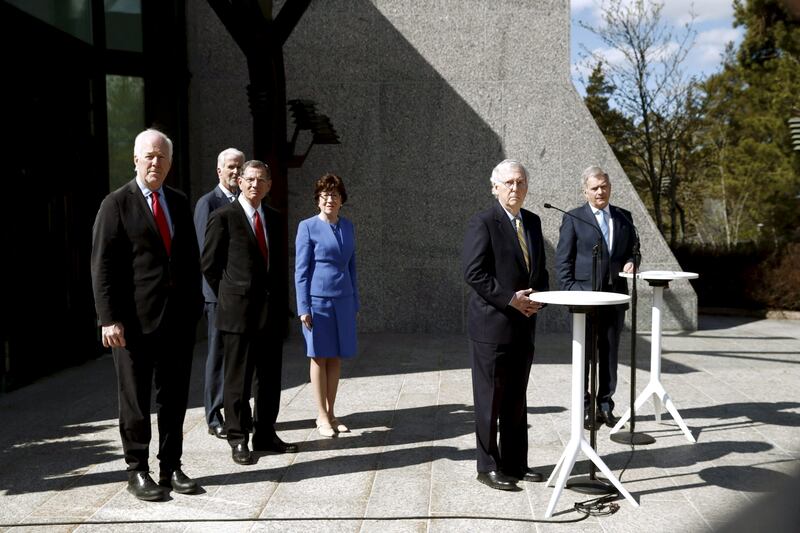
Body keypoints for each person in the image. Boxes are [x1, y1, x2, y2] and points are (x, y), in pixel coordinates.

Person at [90, 128, 203, 501]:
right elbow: (102, 267)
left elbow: (188, 259)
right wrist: (108, 319)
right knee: (135, 401)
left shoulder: (178, 200)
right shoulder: (116, 204)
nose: (156, 162)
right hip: (132, 324)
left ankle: (171, 467)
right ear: (135, 159)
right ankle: (137, 470)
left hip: (176, 321)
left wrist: (194, 306)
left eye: (162, 157)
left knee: (173, 399)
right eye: (149, 156)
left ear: (170, 163)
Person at [201, 159, 297, 465]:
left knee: (269, 378)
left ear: (269, 185)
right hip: (238, 314)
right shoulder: (223, 217)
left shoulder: (275, 217)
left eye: (262, 180)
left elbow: (278, 267)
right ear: (240, 182)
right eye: (250, 179)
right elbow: (209, 266)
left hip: (270, 313)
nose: (256, 185)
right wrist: (231, 296)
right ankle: (238, 438)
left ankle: (265, 432)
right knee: (238, 380)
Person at [462, 159, 549, 491]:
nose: (516, 188)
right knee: (490, 400)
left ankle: (516, 462)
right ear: (495, 186)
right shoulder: (483, 222)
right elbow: (474, 273)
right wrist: (511, 299)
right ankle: (488, 466)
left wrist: (541, 298)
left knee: (516, 399)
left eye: (521, 182)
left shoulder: (533, 222)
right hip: (492, 327)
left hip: (525, 325)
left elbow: (539, 271)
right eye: (509, 182)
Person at [554, 166, 636, 428]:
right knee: (585, 356)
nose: (600, 191)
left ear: (610, 187)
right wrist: (570, 292)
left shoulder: (624, 217)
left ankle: (605, 405)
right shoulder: (574, 217)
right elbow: (563, 260)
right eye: (594, 188)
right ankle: (586, 407)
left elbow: (634, 250)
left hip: (614, 297)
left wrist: (632, 262)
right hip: (584, 299)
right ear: (585, 191)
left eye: (604, 186)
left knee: (609, 353)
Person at [294, 174, 359, 438]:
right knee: (319, 355)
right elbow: (301, 270)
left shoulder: (348, 227)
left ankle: (332, 413)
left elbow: (352, 266)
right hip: (318, 300)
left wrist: (355, 300)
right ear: (317, 200)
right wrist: (303, 307)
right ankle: (320, 414)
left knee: (336, 356)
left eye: (334, 195)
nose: (329, 199)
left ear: (342, 200)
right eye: (324, 195)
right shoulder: (307, 227)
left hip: (343, 299)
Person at [193, 147, 245, 439]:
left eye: (239, 166)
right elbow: (205, 255)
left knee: (237, 355)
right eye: (230, 167)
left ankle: (236, 411)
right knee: (217, 354)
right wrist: (218, 291)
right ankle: (214, 416)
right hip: (217, 295)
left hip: (240, 295)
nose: (236, 172)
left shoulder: (244, 201)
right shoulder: (208, 203)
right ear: (219, 171)